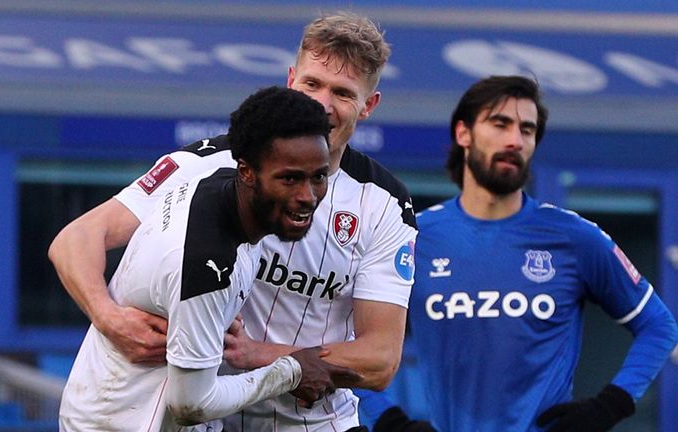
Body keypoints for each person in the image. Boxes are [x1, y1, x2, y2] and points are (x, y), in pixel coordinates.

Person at [49, 11, 417, 432]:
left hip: (312, 422)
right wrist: (109, 318)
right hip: (199, 417)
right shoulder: (207, 164)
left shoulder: (384, 204)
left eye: (343, 93)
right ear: (290, 79)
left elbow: (380, 360)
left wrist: (261, 354)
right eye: (312, 84)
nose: (322, 105)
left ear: (368, 106)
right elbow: (76, 238)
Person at [58, 86, 363, 431]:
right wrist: (292, 370)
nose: (307, 196)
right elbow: (192, 403)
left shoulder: (221, 190)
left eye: (318, 177)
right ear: (247, 172)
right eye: (289, 179)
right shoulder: (207, 264)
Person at [403, 75, 678, 432]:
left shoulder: (574, 237)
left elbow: (659, 326)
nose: (515, 140)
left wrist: (608, 407)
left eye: (527, 130)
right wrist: (393, 423)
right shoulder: (414, 238)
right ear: (463, 133)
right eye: (500, 124)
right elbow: (347, 335)